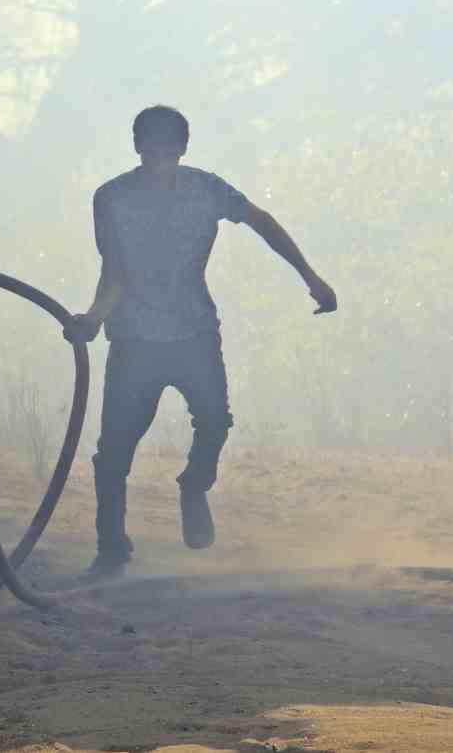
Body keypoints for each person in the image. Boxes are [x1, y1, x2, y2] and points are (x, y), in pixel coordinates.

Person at [64, 106, 338, 580]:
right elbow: (115, 272)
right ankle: (111, 549)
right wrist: (92, 318)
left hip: (194, 332)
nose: (160, 157)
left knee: (214, 420)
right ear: (137, 148)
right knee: (114, 453)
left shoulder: (206, 189)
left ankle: (194, 485)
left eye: (170, 148)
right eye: (151, 147)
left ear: (183, 149)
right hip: (134, 340)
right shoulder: (111, 198)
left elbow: (260, 220)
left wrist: (310, 276)